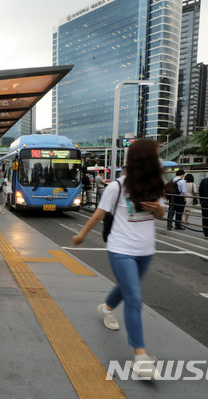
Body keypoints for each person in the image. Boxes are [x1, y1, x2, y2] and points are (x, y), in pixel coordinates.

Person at [72, 139, 165, 380]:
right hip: (120, 248)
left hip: (146, 250)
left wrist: (155, 208)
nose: (159, 159)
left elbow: (161, 213)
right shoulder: (117, 187)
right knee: (134, 297)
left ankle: (106, 307)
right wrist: (81, 235)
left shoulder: (155, 184)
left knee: (125, 290)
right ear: (143, 159)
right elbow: (99, 214)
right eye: (155, 155)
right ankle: (140, 356)